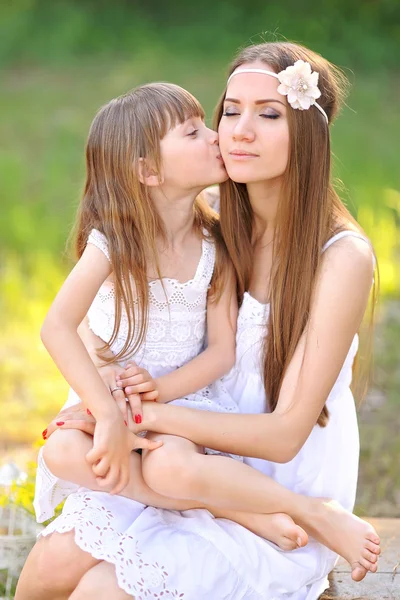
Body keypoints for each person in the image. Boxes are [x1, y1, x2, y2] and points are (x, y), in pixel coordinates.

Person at [16, 41, 380, 600]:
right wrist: (105, 390)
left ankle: (307, 521)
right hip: (185, 456)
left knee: (100, 590)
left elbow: (284, 437)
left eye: (269, 114)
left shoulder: (340, 257)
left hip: (268, 483)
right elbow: (93, 311)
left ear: (310, 133)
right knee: (48, 567)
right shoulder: (209, 216)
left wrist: (145, 413)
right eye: (230, 110)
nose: (238, 131)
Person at [33, 80, 310, 549]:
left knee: (171, 466)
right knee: (61, 451)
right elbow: (56, 327)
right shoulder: (111, 244)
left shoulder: (213, 245)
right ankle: (223, 506)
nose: (215, 137)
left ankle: (226, 502)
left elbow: (221, 353)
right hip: (111, 401)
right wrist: (107, 413)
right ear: (148, 171)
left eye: (206, 125)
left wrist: (158, 395)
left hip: (181, 405)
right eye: (193, 132)